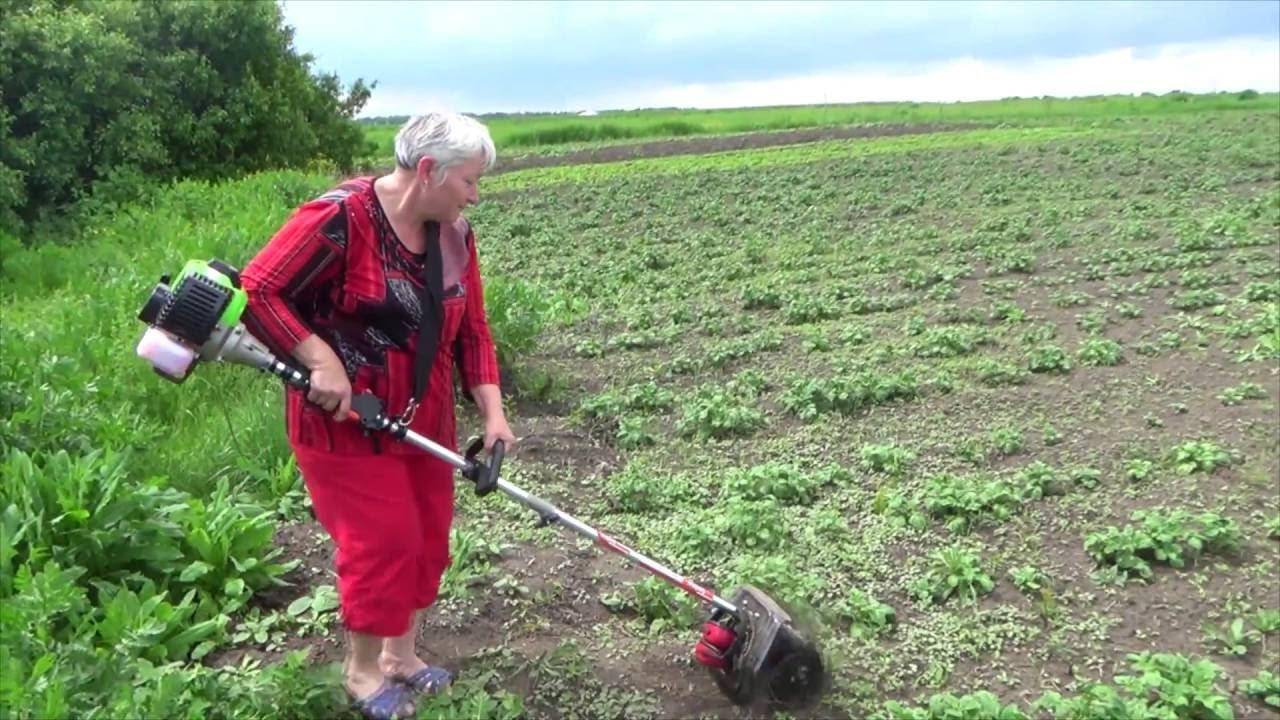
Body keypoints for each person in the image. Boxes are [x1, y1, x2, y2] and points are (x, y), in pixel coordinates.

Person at [241, 111, 517, 720]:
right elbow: (258, 291)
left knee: (425, 541)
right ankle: (362, 672)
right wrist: (319, 359)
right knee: (382, 543)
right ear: (427, 170)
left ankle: (401, 656)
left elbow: (472, 330)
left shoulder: (454, 235)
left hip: (426, 420)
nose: (475, 194)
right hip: (344, 424)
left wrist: (492, 415)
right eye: (469, 181)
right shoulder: (339, 219)